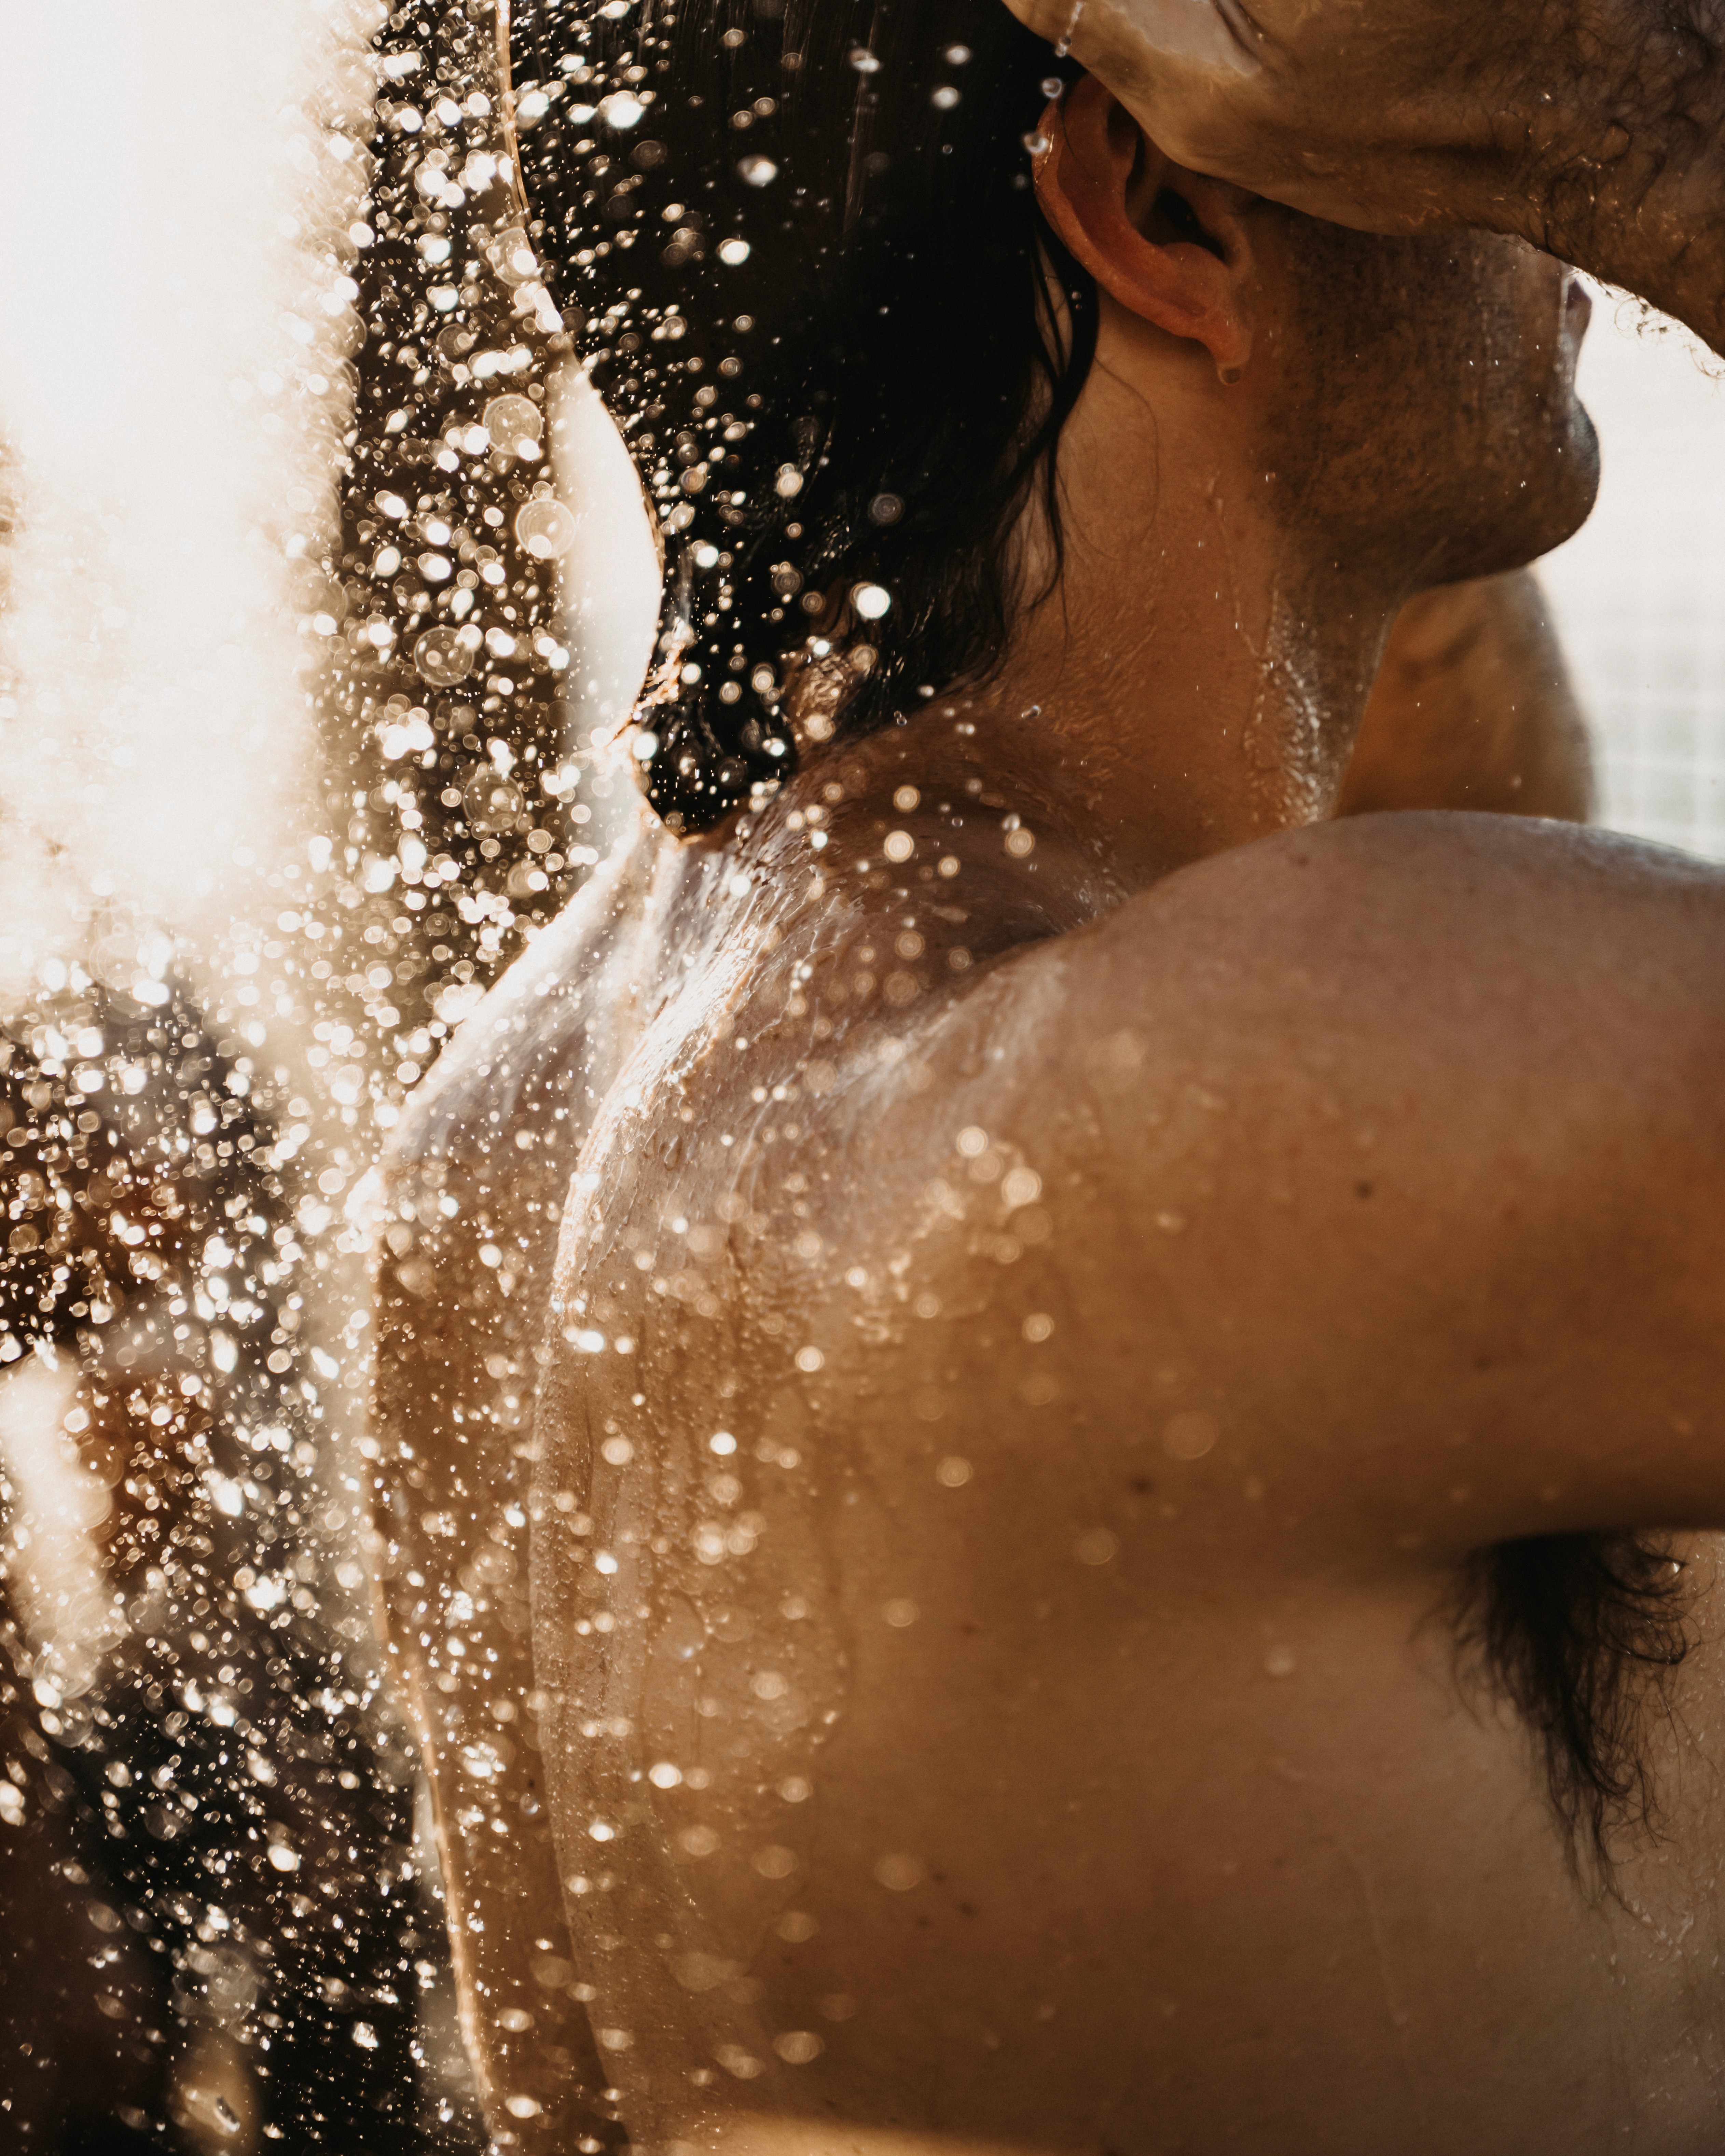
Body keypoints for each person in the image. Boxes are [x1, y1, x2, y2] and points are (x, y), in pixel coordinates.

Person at [369, 0, 1725, 2147]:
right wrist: (1658, 134)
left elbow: (1451, 843)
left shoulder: (506, 1133)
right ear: (1162, 204)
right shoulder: (1259, 1076)